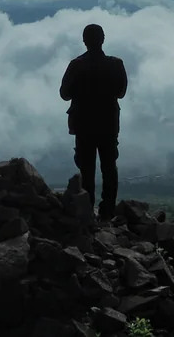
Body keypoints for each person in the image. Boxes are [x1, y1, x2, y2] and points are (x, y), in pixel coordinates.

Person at [60, 23, 128, 220]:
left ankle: (87, 209)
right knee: (109, 166)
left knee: (86, 167)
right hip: (108, 123)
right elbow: (121, 93)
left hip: (84, 124)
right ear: (103, 39)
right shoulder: (116, 64)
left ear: (84, 41)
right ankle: (108, 211)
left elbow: (64, 94)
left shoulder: (76, 65)